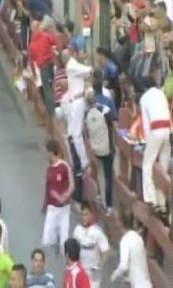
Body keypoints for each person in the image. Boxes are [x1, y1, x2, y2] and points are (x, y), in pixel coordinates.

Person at [61, 48, 92, 199]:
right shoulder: (71, 66)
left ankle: (84, 161)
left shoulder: (72, 65)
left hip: (77, 101)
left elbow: (88, 70)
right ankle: (80, 161)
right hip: (76, 100)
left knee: (75, 134)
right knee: (73, 135)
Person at [140, 75, 171, 220]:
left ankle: (152, 200)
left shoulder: (144, 98)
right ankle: (163, 203)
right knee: (163, 168)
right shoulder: (161, 93)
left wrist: (146, 142)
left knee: (147, 165)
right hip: (168, 130)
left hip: (155, 130)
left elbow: (146, 124)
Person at [41, 140, 74, 255]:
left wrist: (64, 196)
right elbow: (47, 188)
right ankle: (55, 241)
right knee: (46, 240)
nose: (45, 155)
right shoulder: (49, 169)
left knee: (64, 243)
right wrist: (45, 204)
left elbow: (71, 185)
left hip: (64, 209)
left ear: (51, 152)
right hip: (52, 208)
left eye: (46, 152)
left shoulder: (64, 166)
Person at [110, 210, 152, 287]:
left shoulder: (125, 241)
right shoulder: (138, 237)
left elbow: (124, 266)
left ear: (119, 223)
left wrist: (115, 274)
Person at [73, 202, 109, 288]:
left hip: (93, 273)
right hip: (81, 271)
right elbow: (74, 250)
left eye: (86, 215)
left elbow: (105, 251)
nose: (84, 218)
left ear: (91, 215)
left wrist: (99, 266)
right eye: (82, 215)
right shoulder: (77, 231)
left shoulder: (97, 232)